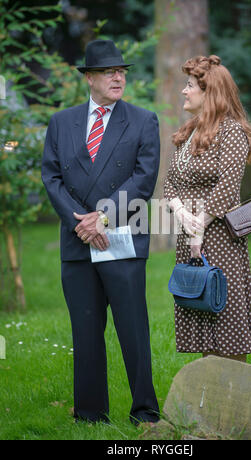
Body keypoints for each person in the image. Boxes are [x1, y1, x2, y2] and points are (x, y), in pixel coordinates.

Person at [41, 39, 160, 425]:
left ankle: (145, 412)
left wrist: (102, 217)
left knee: (133, 331)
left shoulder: (144, 120)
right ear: (89, 78)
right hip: (77, 239)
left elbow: (143, 180)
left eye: (122, 72)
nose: (117, 77)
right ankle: (91, 415)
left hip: (122, 238)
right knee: (86, 331)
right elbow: (51, 175)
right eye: (109, 72)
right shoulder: (61, 122)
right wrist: (81, 222)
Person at [164, 54, 251, 362]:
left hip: (218, 236)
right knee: (201, 309)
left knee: (223, 312)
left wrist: (199, 227)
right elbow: (169, 184)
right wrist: (181, 213)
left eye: (190, 85)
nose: (184, 91)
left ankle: (234, 395)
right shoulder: (189, 132)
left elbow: (228, 187)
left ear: (210, 93)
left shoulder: (231, 131)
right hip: (189, 234)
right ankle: (206, 394)